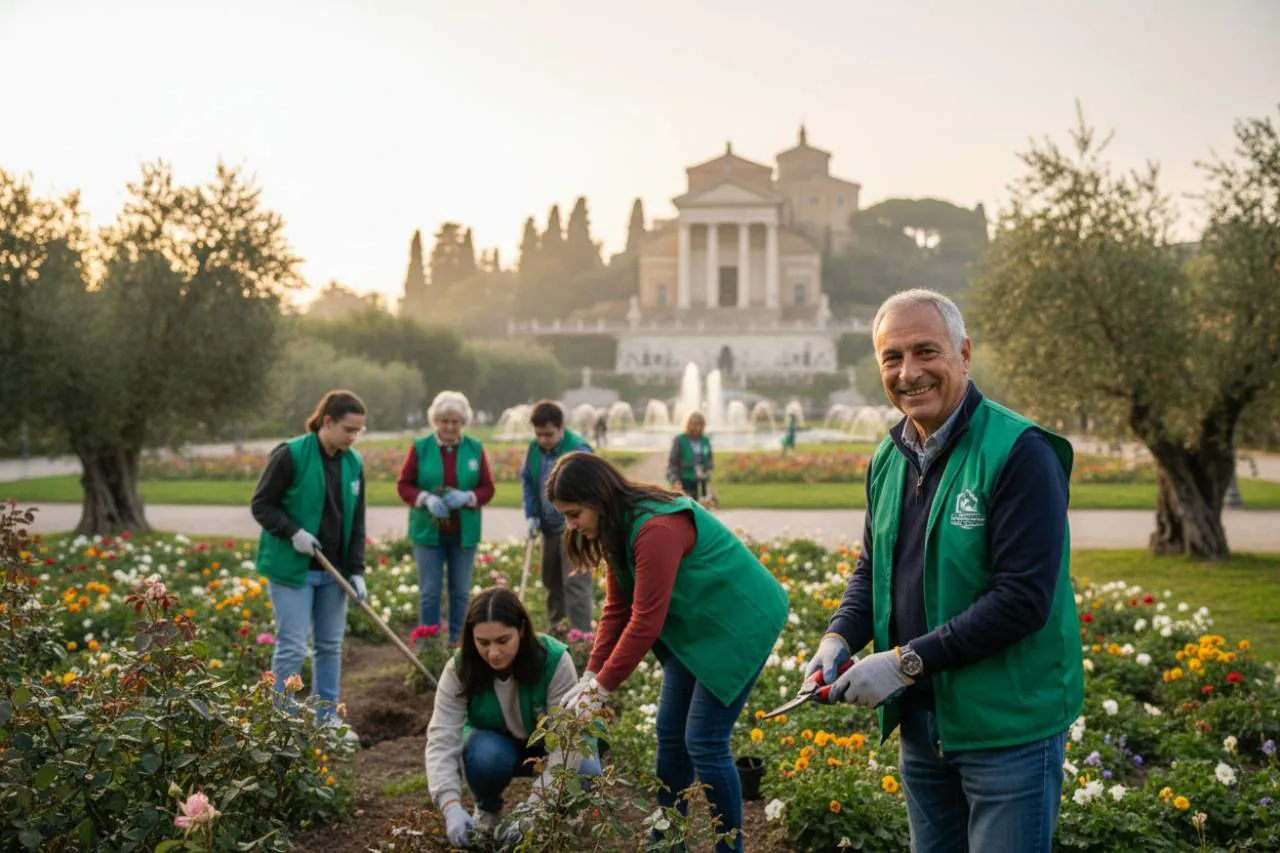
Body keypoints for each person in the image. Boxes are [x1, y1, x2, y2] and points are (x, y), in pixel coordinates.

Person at [805, 288, 1083, 852]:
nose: (909, 373)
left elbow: (1022, 600)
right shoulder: (890, 457)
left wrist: (904, 663)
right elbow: (871, 571)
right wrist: (838, 637)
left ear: (963, 353)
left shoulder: (1020, 450)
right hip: (925, 721)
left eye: (926, 352)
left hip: (1010, 727)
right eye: (892, 358)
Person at [547, 453, 788, 853]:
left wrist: (603, 687)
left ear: (598, 497)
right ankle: (668, 839)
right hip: (695, 626)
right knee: (670, 734)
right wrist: (591, 674)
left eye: (573, 514)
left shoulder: (655, 527)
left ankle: (731, 848)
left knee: (705, 741)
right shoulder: (615, 525)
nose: (570, 525)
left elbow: (644, 622)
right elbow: (617, 608)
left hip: (738, 622)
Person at [425, 587, 601, 849]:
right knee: (484, 757)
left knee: (584, 768)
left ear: (520, 629)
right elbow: (442, 737)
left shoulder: (553, 660)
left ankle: (564, 821)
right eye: (483, 643)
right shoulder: (460, 668)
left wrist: (535, 808)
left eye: (502, 640)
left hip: (550, 747)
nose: (493, 653)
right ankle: (487, 811)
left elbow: (566, 744)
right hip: (499, 746)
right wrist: (449, 804)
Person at [251, 389, 370, 742]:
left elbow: (358, 522)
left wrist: (358, 570)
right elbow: (262, 505)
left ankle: (326, 719)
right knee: (291, 645)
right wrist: (293, 532)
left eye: (358, 431)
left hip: (335, 572)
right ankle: (282, 722)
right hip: (293, 568)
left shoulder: (354, 463)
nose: (353, 437)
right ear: (328, 422)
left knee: (330, 646)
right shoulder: (290, 455)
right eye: (349, 429)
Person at [397, 390, 496, 646]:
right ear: (435, 421)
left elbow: (488, 488)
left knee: (461, 593)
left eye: (455, 421)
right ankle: (429, 645)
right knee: (430, 593)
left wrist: (468, 497)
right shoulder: (421, 447)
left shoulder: (475, 448)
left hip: (464, 533)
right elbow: (404, 485)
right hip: (428, 532)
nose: (450, 426)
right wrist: (425, 499)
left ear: (463, 421)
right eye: (444, 421)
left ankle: (459, 644)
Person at [519, 400, 594, 635]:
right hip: (548, 527)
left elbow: (590, 489)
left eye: (549, 434)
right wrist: (531, 514)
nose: (543, 439)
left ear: (561, 428)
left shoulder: (579, 450)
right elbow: (528, 482)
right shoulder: (534, 450)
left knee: (575, 584)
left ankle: (581, 638)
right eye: (539, 434)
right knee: (551, 583)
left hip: (576, 528)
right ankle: (558, 632)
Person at [666, 411, 713, 502]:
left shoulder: (705, 440)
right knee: (687, 506)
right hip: (685, 479)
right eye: (695, 425)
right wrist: (675, 480)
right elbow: (673, 462)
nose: (697, 428)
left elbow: (709, 458)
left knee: (702, 506)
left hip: (702, 480)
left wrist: (708, 468)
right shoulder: (680, 439)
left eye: (700, 425)